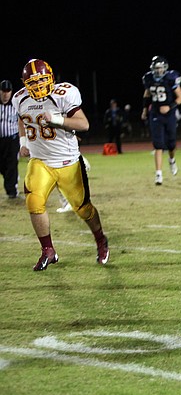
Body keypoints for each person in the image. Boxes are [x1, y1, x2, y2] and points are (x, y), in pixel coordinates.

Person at [12, 59, 109, 271]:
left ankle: (100, 239)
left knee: (83, 209)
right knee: (34, 202)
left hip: (67, 162)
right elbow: (22, 119)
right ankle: (48, 250)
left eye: (42, 81)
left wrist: (57, 119)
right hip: (40, 162)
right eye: (33, 83)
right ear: (24, 83)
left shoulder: (63, 94)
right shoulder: (19, 98)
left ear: (51, 78)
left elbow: (83, 124)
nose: (38, 87)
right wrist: (23, 142)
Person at [142, 55, 181, 185]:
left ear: (165, 68)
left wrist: (169, 107)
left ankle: (171, 160)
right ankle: (158, 174)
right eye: (156, 68)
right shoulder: (148, 78)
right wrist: (144, 109)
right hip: (155, 114)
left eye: (160, 68)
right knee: (158, 144)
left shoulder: (171, 78)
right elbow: (147, 94)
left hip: (169, 114)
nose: (159, 71)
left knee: (171, 144)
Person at [1, 79, 20, 199]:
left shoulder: (16, 105)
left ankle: (12, 191)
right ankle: (10, 182)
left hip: (12, 140)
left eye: (8, 91)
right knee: (3, 166)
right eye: (3, 91)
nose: (5, 94)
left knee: (12, 164)